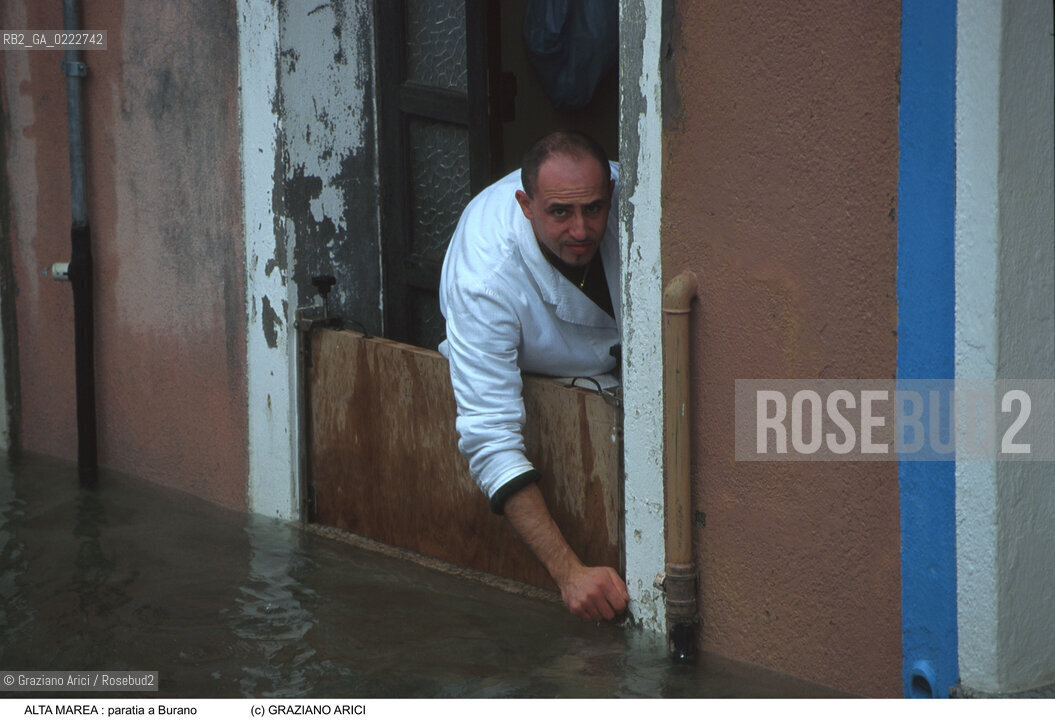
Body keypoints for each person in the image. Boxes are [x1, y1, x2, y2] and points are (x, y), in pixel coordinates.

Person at [439, 131, 629, 621]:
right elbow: (490, 439)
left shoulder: (635, 198)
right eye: (560, 213)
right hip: (552, 372)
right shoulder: (483, 279)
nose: (582, 230)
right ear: (526, 205)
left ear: (611, 190)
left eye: (593, 208)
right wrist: (570, 574)